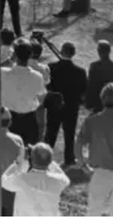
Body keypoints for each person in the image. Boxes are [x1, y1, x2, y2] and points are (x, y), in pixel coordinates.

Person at [45, 40, 87, 167]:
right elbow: (83, 92)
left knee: (50, 134)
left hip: (54, 107)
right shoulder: (80, 72)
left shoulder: (51, 67)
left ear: (61, 51)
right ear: (73, 54)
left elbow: (47, 86)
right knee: (69, 135)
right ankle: (69, 159)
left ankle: (44, 158)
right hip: (71, 108)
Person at [3, 39, 46, 145]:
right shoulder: (38, 76)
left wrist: (10, 59)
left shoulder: (3, 73)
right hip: (29, 119)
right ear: (30, 56)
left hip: (10, 119)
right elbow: (41, 98)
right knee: (30, 149)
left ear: (15, 55)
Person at [81, 83, 113, 216]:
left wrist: (82, 164)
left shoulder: (92, 121)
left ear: (102, 98)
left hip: (101, 172)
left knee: (94, 210)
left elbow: (78, 144)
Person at [89, 41, 113, 113]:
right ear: (109, 51)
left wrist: (89, 103)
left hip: (97, 101)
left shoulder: (94, 66)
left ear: (98, 52)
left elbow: (91, 85)